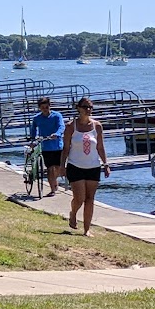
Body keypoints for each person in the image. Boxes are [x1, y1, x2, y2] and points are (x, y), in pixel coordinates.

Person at [60, 96, 107, 234]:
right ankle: (73, 213)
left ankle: (87, 229)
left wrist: (106, 163)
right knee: (79, 197)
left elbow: (100, 147)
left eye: (90, 107)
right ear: (78, 109)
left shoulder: (97, 126)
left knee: (90, 198)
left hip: (93, 166)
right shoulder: (70, 127)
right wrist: (62, 166)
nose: (88, 110)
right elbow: (66, 148)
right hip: (75, 166)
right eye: (85, 107)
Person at [28, 97, 65, 197]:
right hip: (45, 146)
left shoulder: (57, 116)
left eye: (47, 107)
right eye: (43, 107)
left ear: (50, 106)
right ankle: (52, 189)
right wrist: (33, 140)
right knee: (49, 168)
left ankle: (54, 180)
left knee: (57, 167)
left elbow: (61, 126)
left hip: (57, 146)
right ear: (39, 108)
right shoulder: (37, 118)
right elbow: (33, 129)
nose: (45, 109)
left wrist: (57, 134)